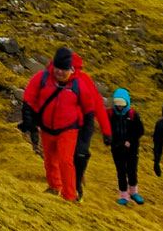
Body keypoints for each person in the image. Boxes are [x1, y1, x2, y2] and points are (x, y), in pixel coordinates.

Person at [22, 47, 104, 204]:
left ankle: (70, 196)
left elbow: (89, 110)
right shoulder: (41, 78)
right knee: (49, 159)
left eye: (64, 69)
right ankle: (54, 187)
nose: (60, 72)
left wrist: (85, 139)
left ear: (70, 69)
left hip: (68, 128)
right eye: (58, 68)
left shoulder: (78, 85)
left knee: (65, 161)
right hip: (46, 128)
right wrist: (30, 123)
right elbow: (29, 98)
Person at [68, 52, 112, 199]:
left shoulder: (84, 80)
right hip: (65, 124)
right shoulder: (56, 80)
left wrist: (106, 130)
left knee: (80, 154)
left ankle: (77, 184)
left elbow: (97, 104)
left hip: (84, 125)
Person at [108, 89, 145, 206]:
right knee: (121, 172)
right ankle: (124, 195)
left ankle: (134, 192)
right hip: (117, 148)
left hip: (132, 149)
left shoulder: (133, 115)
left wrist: (130, 141)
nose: (119, 107)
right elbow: (107, 129)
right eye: (117, 104)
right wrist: (114, 142)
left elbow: (140, 130)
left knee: (132, 170)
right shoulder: (110, 114)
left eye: (121, 104)